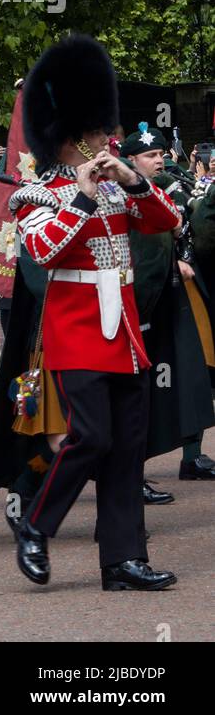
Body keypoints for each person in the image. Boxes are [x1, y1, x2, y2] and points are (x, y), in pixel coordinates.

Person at [0, 35, 181, 591]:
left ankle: (122, 560)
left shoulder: (115, 187)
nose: (104, 140)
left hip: (125, 328)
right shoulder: (34, 195)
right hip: (76, 330)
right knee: (91, 437)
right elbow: (42, 252)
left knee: (128, 448)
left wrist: (133, 180)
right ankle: (36, 524)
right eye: (94, 134)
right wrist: (83, 198)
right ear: (69, 140)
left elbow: (165, 222)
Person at [117, 124, 215, 495]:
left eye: (160, 154)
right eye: (149, 155)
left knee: (190, 379)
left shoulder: (167, 187)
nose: (158, 159)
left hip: (170, 298)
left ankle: (190, 456)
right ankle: (128, 475)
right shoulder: (118, 197)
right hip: (136, 307)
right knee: (135, 396)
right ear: (130, 161)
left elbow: (183, 230)